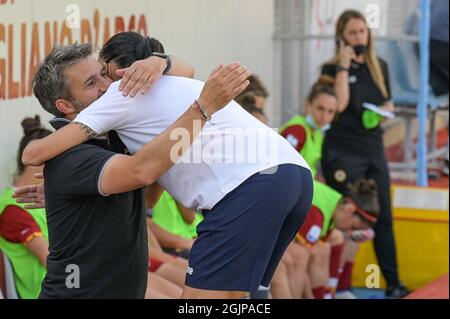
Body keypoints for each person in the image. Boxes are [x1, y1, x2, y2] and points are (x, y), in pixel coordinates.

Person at [22, 32, 313, 299]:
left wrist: (159, 62)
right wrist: (202, 107)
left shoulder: (118, 127)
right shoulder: (73, 155)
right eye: (91, 83)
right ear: (64, 106)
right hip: (286, 179)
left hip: (255, 185)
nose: (107, 86)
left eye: (103, 74)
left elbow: (148, 183)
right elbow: (142, 171)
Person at [319, 9, 407, 298]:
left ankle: (393, 283)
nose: (359, 37)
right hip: (343, 151)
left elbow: (389, 102)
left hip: (372, 149)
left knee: (381, 217)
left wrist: (384, 114)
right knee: (346, 217)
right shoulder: (330, 70)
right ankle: (336, 287)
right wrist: (344, 67)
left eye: (362, 31)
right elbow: (340, 104)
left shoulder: (378, 65)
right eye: (352, 33)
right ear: (342, 39)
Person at [294, 179, 378, 299]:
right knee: (300, 257)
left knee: (323, 249)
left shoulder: (334, 203)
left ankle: (330, 294)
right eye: (353, 227)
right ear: (349, 210)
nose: (350, 232)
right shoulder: (318, 211)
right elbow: (303, 259)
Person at [0, 116, 51, 299]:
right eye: (56, 159)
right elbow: (51, 261)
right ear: (38, 162)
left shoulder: (45, 194)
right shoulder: (12, 209)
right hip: (49, 290)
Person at [280, 76, 338, 178]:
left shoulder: (318, 133)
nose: (324, 117)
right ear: (308, 104)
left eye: (330, 111)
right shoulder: (297, 130)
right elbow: (283, 166)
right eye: (320, 108)